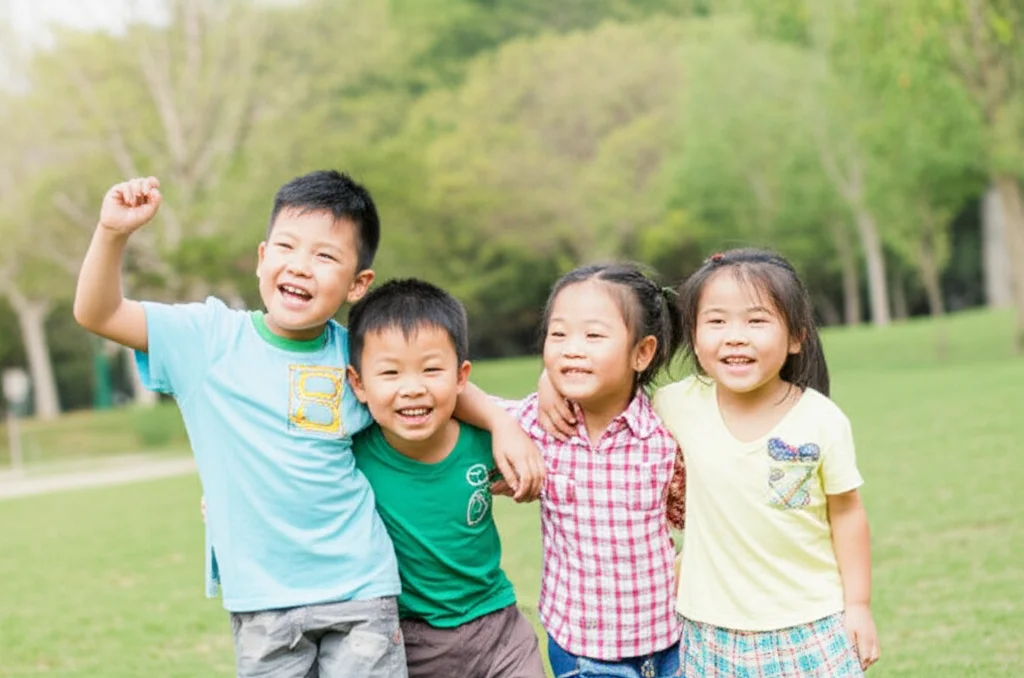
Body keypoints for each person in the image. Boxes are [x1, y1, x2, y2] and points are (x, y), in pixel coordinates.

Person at [72, 172, 544, 678]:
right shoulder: (207, 339)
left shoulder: (354, 356)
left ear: (358, 283)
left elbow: (428, 381)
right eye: (287, 247)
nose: (301, 266)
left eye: (326, 256)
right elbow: (98, 313)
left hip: (361, 589)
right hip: (262, 596)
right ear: (261, 257)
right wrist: (112, 232)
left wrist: (501, 421)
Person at [634, 249, 880, 676]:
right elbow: (604, 396)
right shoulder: (673, 405)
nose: (734, 336)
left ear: (796, 336)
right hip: (709, 628)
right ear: (693, 334)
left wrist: (858, 606)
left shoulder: (821, 420)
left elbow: (848, 514)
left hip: (810, 621)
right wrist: (548, 384)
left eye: (756, 320)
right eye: (716, 321)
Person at [345, 278, 546, 678]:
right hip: (408, 640)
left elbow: (560, 412)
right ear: (358, 383)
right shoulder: (350, 452)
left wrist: (504, 424)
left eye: (432, 369)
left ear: (461, 376)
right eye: (390, 373)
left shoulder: (489, 440)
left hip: (498, 628)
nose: (413, 389)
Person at [495, 263, 686, 678]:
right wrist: (500, 425)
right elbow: (453, 392)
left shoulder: (667, 428)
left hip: (673, 643)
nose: (572, 349)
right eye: (558, 334)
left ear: (643, 352)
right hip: (583, 652)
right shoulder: (536, 423)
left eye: (594, 335)